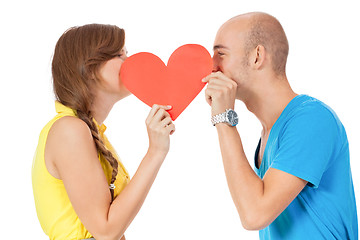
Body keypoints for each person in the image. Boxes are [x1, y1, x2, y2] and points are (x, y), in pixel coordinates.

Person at [202, 12, 358, 239]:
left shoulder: (312, 119)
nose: (211, 65)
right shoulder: (270, 132)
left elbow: (254, 214)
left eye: (220, 53)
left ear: (257, 56)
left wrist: (224, 118)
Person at [32, 24, 175, 240]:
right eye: (120, 55)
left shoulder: (89, 131)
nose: (131, 62)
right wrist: (155, 152)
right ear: (89, 69)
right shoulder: (69, 130)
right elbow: (106, 230)